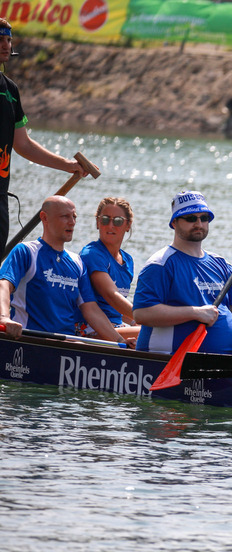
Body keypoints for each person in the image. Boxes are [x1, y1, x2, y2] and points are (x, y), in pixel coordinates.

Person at [132, 191, 232, 356]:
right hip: (170, 360)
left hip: (225, 362)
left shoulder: (222, 265)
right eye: (191, 218)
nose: (199, 223)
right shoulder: (160, 264)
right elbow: (141, 313)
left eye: (204, 218)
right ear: (174, 223)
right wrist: (194, 313)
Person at [0, 18, 87, 252]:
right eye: (0, 39)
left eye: (8, 39)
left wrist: (67, 165)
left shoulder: (11, 90)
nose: (5, 44)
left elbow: (23, 144)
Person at [0, 196, 125, 344]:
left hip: (65, 344)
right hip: (30, 340)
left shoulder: (77, 262)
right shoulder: (26, 252)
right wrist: (4, 318)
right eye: (65, 216)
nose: (72, 222)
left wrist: (121, 342)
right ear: (44, 218)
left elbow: (91, 309)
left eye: (74, 217)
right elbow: (4, 285)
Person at [79, 197, 140, 345]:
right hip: (90, 329)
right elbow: (111, 296)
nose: (110, 225)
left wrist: (135, 321)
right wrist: (146, 316)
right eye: (105, 220)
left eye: (118, 221)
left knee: (153, 329)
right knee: (159, 330)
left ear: (128, 225)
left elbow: (118, 310)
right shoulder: (92, 254)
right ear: (98, 223)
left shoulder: (128, 260)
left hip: (116, 327)